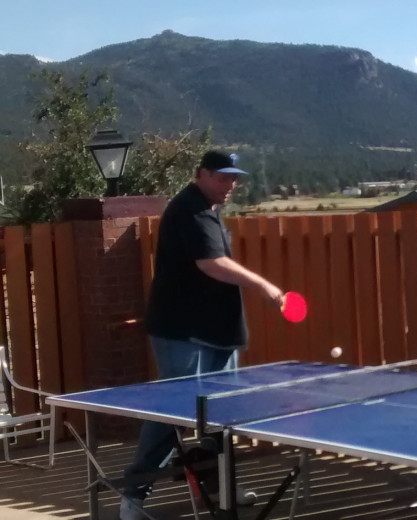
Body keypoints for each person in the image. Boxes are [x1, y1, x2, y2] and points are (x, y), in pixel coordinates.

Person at [119, 150, 285, 520]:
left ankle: (220, 488)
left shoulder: (210, 209)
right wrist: (264, 286)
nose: (231, 184)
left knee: (219, 414)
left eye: (234, 178)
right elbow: (211, 264)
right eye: (223, 177)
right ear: (202, 175)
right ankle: (133, 496)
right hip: (183, 331)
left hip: (217, 332)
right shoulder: (189, 210)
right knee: (172, 412)